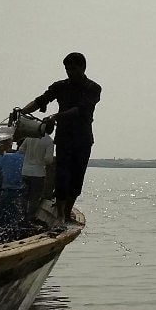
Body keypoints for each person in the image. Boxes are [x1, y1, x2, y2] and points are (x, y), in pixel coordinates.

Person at [16, 52, 101, 224]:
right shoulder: (60, 86)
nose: (70, 72)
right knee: (62, 175)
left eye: (74, 69)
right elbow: (41, 100)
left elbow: (81, 109)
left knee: (77, 177)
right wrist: (22, 113)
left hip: (83, 138)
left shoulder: (93, 88)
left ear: (83, 68)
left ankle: (68, 211)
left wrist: (55, 117)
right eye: (67, 69)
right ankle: (61, 214)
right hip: (63, 138)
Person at [19, 119, 55, 218]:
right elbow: (48, 160)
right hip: (38, 173)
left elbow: (21, 151)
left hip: (25, 171)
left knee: (24, 197)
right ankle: (29, 218)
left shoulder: (30, 137)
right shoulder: (49, 141)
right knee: (34, 199)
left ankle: (21, 217)